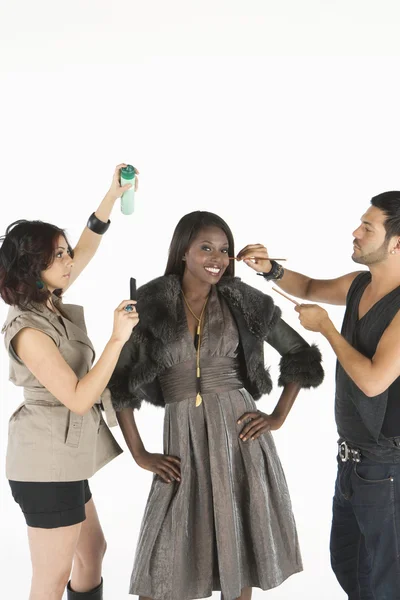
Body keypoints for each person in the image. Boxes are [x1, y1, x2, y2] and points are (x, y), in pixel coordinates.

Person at [107, 210, 324, 600]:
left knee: (237, 541)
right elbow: (118, 381)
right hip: (182, 436)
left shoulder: (242, 299)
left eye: (224, 250)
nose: (217, 258)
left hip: (237, 431)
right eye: (206, 247)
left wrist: (276, 417)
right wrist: (139, 453)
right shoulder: (150, 302)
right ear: (183, 251)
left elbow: (301, 355)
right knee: (164, 560)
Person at [239, 192, 400, 599]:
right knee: (349, 566)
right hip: (352, 460)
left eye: (368, 227)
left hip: (387, 468)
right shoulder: (360, 284)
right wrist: (270, 269)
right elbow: (309, 286)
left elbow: (374, 381)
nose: (355, 232)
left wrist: (327, 330)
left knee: (386, 583)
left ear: (397, 243)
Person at [0, 165, 139, 600]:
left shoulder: (47, 298)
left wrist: (112, 195)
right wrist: (118, 339)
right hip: (44, 465)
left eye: (63, 252)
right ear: (31, 267)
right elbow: (79, 399)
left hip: (66, 457)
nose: (68, 260)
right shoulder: (28, 329)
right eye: (57, 255)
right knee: (51, 578)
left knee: (92, 550)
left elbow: (88, 245)